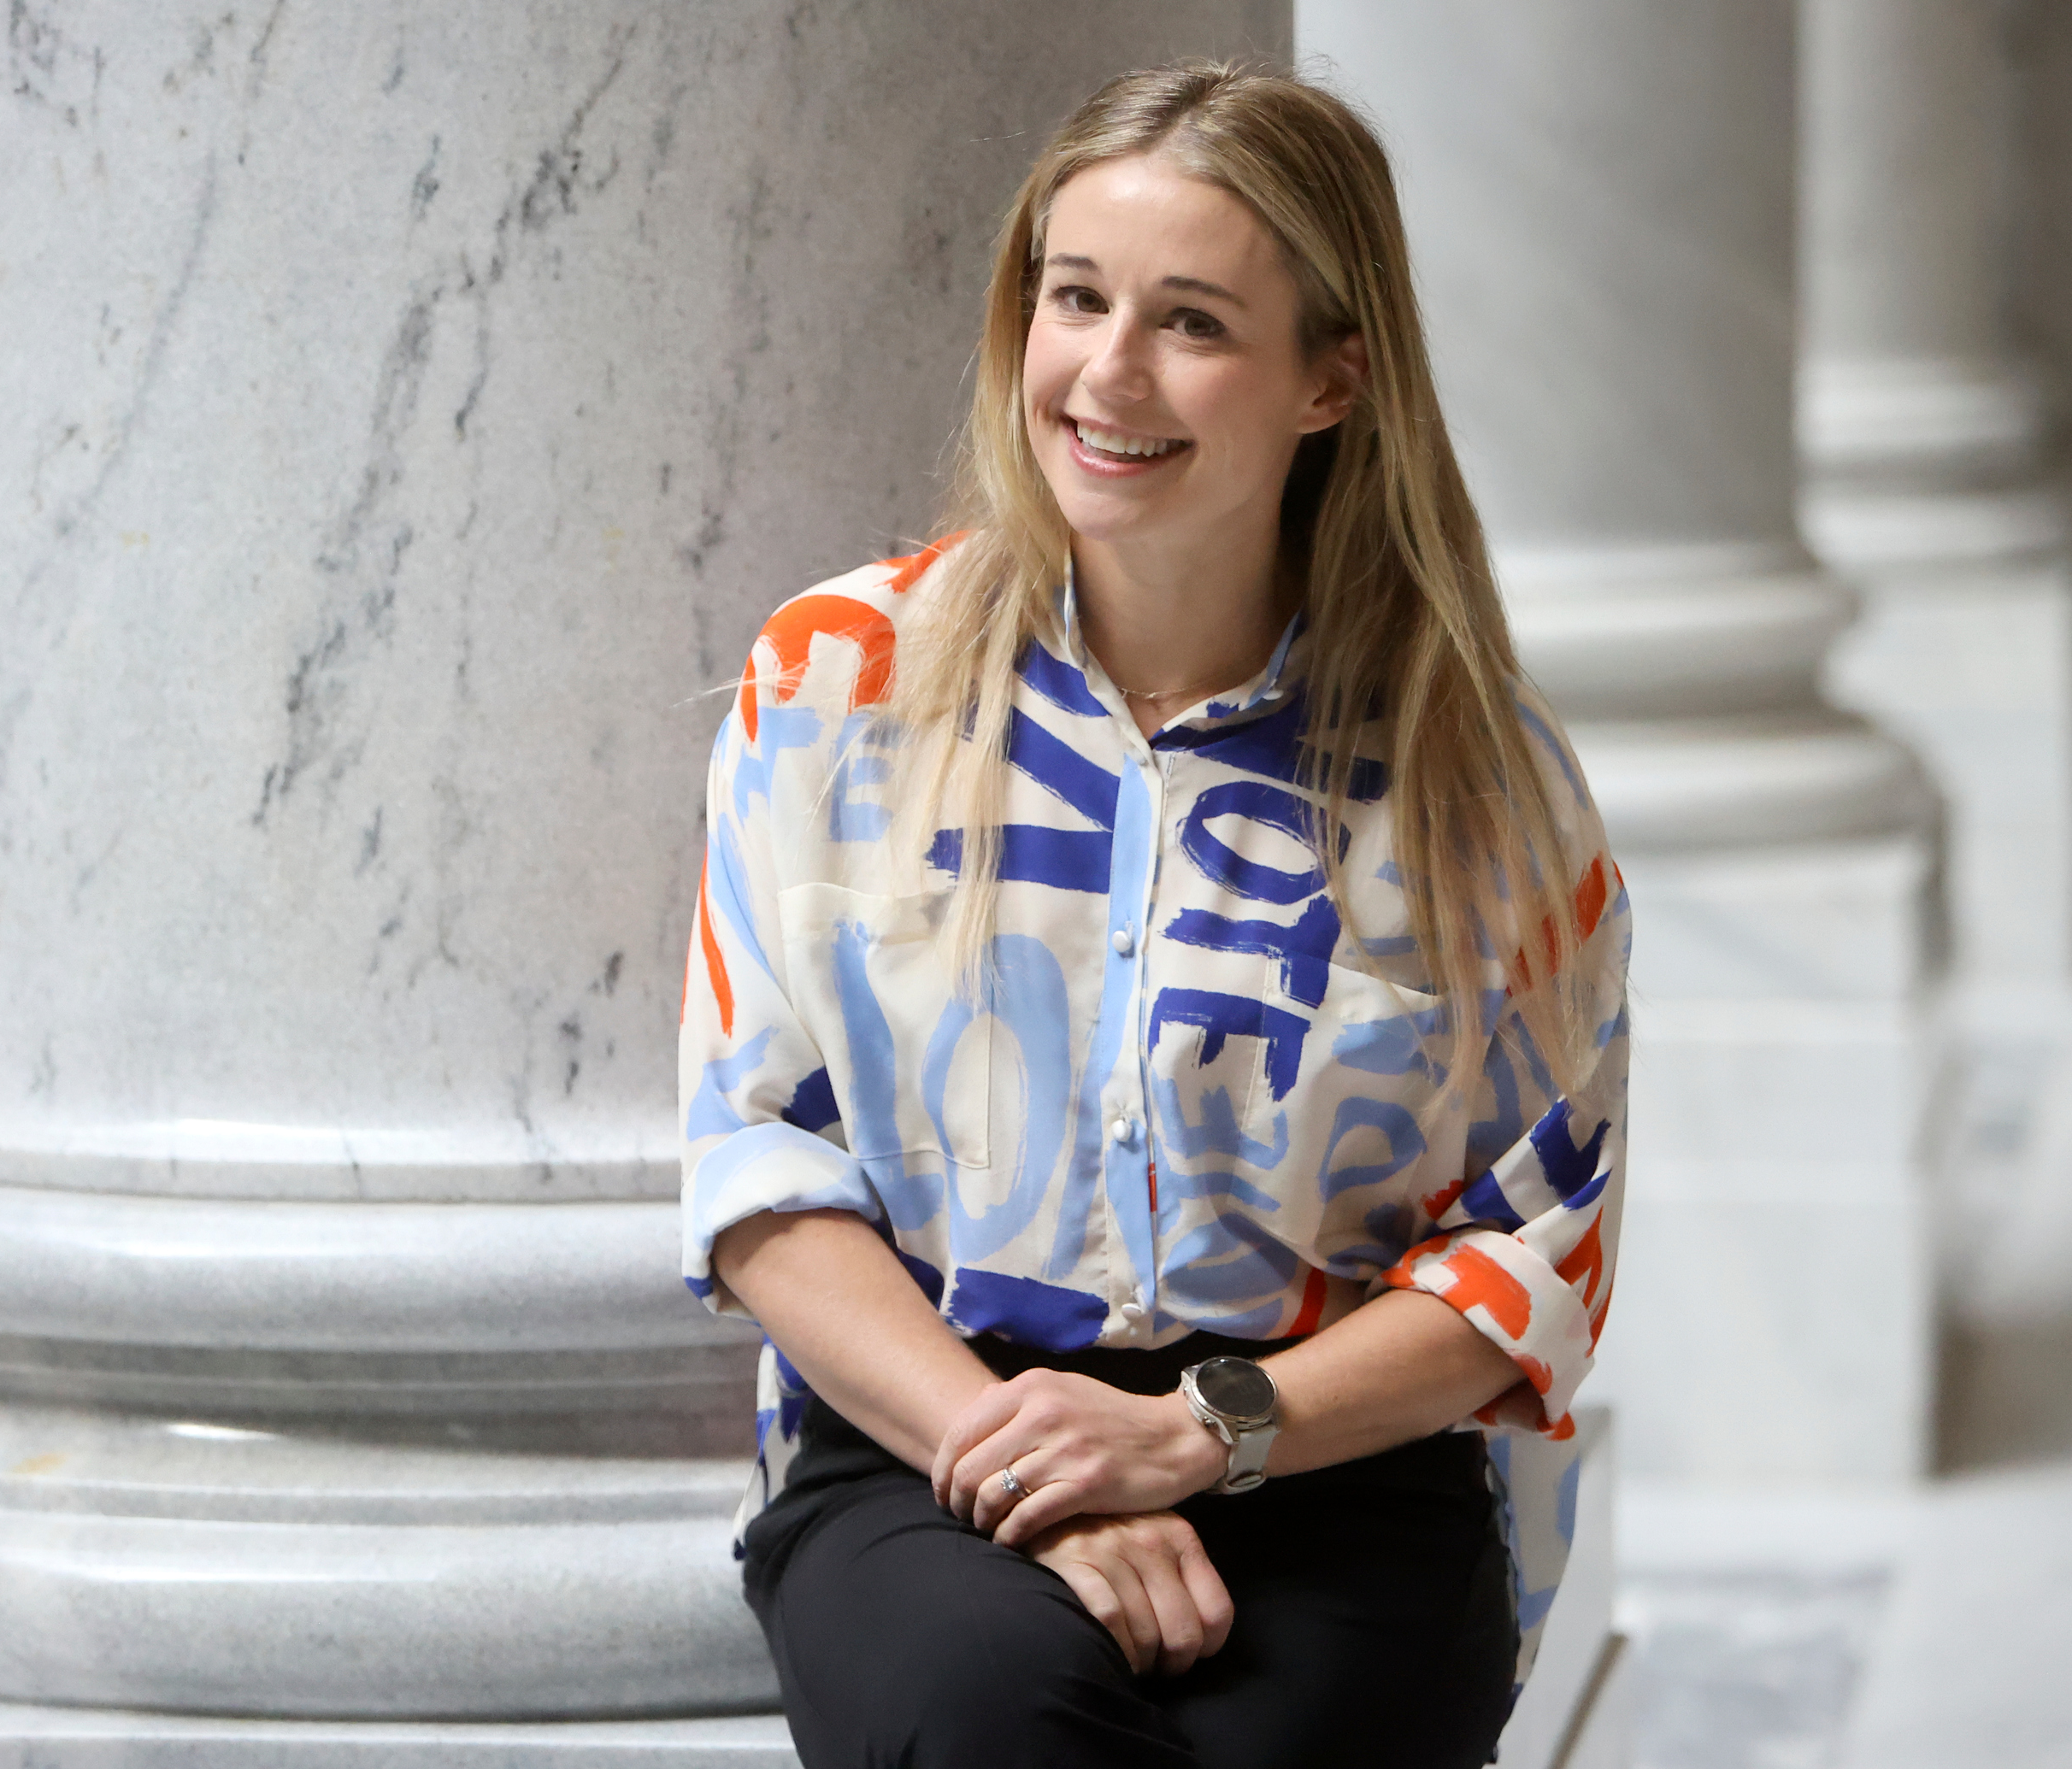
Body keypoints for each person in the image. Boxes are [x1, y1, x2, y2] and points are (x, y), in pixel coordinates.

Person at [679, 60, 1628, 1769]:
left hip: (1328, 1465)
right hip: (923, 1441)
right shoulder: (835, 689)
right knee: (996, 1718)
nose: (1108, 374)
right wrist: (1036, 1471)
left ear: (1333, 378)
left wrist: (1201, 1436)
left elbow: (1529, 1249)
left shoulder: (1477, 777)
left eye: (1191, 322)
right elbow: (760, 1170)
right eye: (1077, 299)